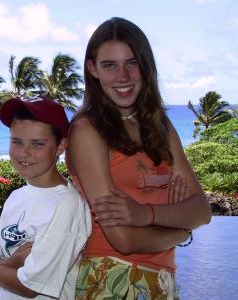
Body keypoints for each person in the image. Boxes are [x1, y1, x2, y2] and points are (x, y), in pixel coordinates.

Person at [66, 17, 212, 300]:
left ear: (146, 66)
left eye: (132, 63)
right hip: (111, 277)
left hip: (163, 280)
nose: (123, 76)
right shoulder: (88, 131)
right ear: (92, 69)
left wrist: (146, 215)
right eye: (110, 65)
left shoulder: (160, 126)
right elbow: (124, 239)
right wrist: (181, 231)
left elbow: (202, 210)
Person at [0, 95, 92, 299]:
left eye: (37, 144)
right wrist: (10, 264)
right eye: (17, 142)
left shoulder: (66, 204)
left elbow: (30, 287)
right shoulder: (16, 197)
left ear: (60, 146)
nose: (24, 153)